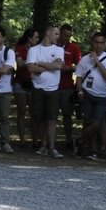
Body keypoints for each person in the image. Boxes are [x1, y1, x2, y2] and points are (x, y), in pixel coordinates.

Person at [71, 32, 106, 160]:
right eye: (96, 42)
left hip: (102, 96)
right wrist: (80, 91)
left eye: (101, 42)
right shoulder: (85, 59)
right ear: (92, 43)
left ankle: (80, 141)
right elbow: (79, 77)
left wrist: (96, 60)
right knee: (88, 121)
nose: (98, 45)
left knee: (97, 123)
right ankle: (91, 149)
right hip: (87, 94)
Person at [27, 25, 67, 158]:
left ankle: (52, 147)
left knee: (51, 119)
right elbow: (31, 68)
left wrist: (40, 63)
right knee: (40, 119)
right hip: (38, 88)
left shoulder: (59, 50)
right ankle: (43, 145)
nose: (58, 37)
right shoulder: (33, 50)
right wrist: (47, 66)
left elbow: (58, 66)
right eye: (56, 34)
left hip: (53, 89)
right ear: (48, 33)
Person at [57, 23, 83, 152]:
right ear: (60, 33)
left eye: (69, 36)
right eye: (65, 35)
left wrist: (70, 68)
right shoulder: (52, 45)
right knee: (51, 115)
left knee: (67, 114)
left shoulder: (74, 48)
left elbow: (80, 66)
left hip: (67, 86)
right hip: (52, 86)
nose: (67, 38)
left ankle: (68, 139)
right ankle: (50, 140)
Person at [14, 26, 38, 147]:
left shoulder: (39, 49)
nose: (37, 40)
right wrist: (31, 60)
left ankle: (35, 140)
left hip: (34, 83)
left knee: (34, 113)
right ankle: (22, 139)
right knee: (21, 111)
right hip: (20, 82)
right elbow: (19, 63)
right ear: (29, 39)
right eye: (35, 37)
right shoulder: (20, 48)